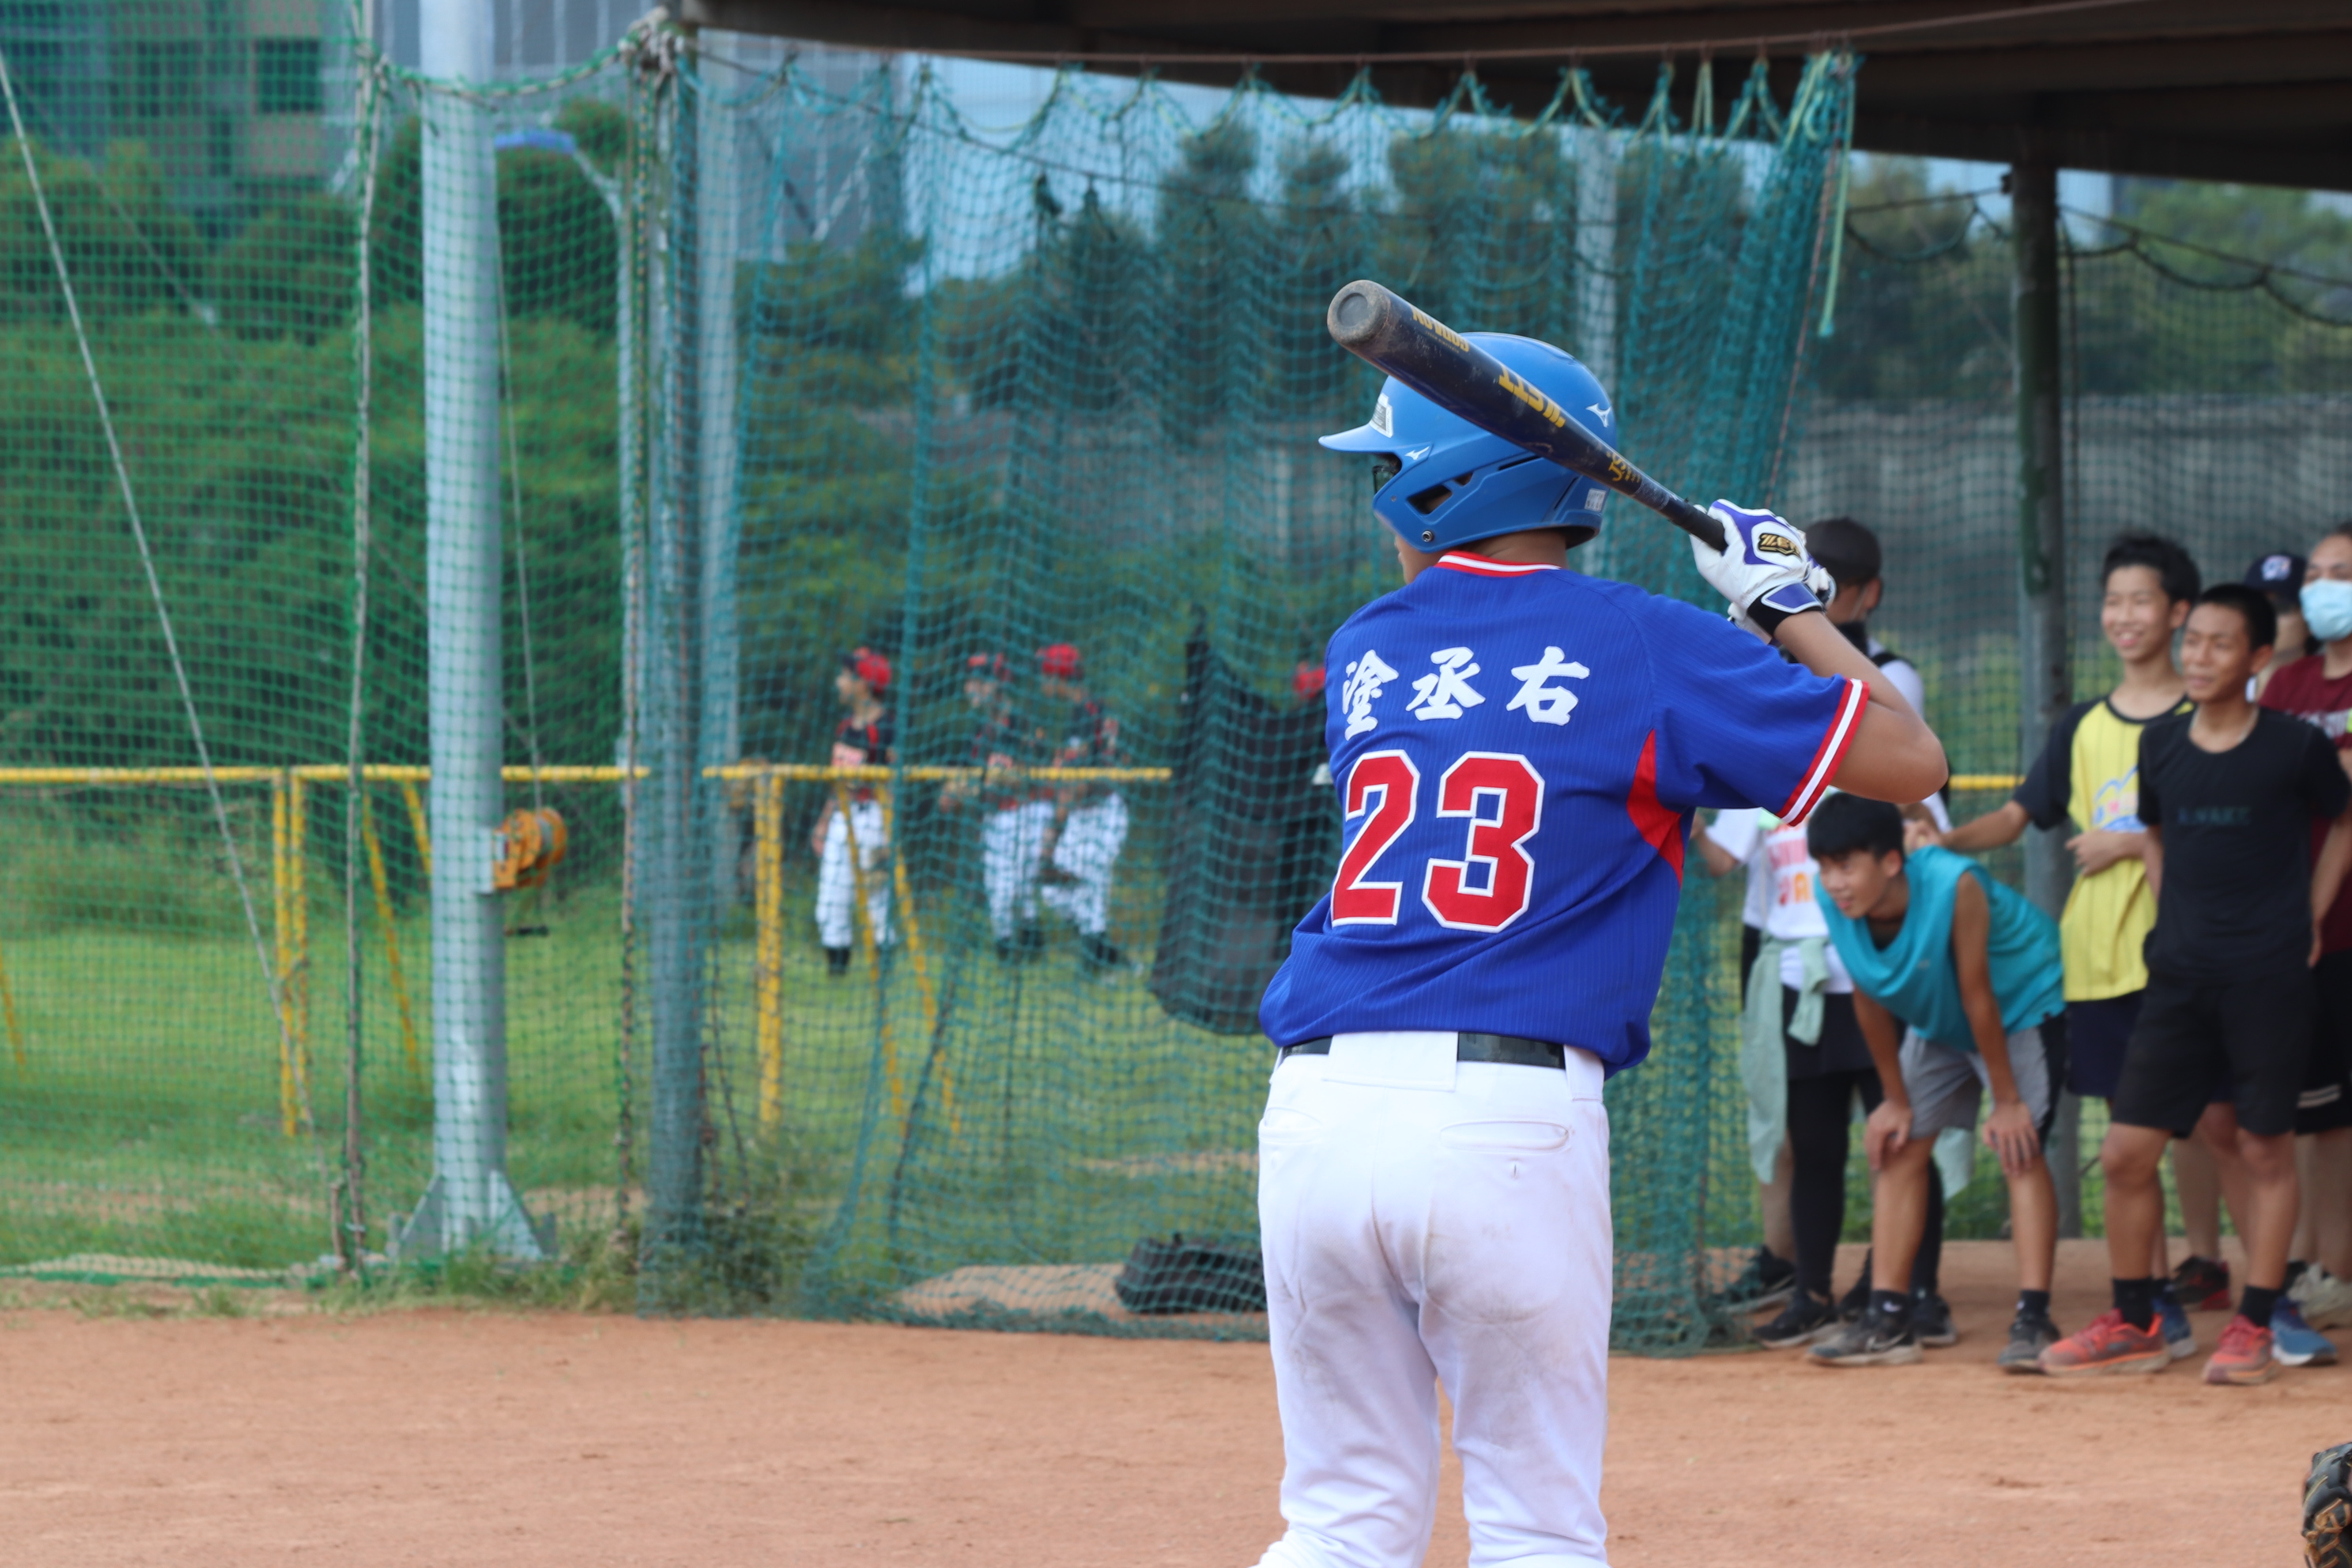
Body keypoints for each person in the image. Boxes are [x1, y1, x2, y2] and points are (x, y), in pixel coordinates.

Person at [1250, 334, 1944, 1566]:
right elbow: (1911, 762)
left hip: (1317, 1112)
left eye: (1388, 471)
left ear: (1440, 487)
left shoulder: (1368, 646)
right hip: (1504, 1121)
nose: (1377, 498)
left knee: (1342, 1522)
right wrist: (1788, 611)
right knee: (1536, 1529)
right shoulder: (1646, 641)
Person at [2039, 584, 2352, 1385]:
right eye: (2194, 641)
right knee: (2124, 1153)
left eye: (2220, 643)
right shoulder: (2162, 746)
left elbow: (2344, 820)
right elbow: (2154, 832)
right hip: (2177, 978)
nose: (2199, 656)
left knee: (2262, 1148)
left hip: (2269, 979)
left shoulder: (2294, 746)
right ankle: (2136, 1321)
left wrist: (2312, 917)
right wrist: (2173, 913)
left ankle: (2255, 1325)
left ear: (2258, 659)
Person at [1928, 531, 2205, 1356]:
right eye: (2113, 601)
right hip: (2100, 961)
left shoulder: (2206, 720)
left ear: (2179, 613)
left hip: (2191, 953)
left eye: (2141, 599)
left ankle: (2260, 1293)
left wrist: (2134, 843)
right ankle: (2153, 1297)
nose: (2124, 615)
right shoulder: (2081, 724)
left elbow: (2231, 833)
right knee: (2130, 1136)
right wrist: (1942, 842)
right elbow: (2017, 816)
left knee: (2222, 1130)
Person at [1804, 794, 2065, 1372]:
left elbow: (1979, 993)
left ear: (1891, 861)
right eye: (1824, 866)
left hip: (2019, 1003)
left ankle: (2034, 1318)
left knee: (2018, 1148)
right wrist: (1894, 1100)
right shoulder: (1835, 900)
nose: (1834, 881)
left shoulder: (1954, 884)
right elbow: (1868, 991)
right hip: (1940, 1015)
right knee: (1900, 1148)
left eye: (1846, 865)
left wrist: (2006, 1101)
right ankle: (1889, 1319)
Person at [2259, 527, 2352, 1355]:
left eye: (2342, 573)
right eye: (2316, 573)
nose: (2324, 587)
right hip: (2298, 934)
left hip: (2333, 925)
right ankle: (2321, 1269)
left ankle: (2335, 1268)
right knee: (2317, 1112)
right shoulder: (2285, 682)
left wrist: (2317, 915)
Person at [940, 651, 1050, 961]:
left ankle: (1023, 954)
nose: (972, 688)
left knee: (1011, 892)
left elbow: (1030, 776)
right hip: (995, 818)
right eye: (970, 681)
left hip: (1027, 814)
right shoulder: (979, 731)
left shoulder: (1022, 724)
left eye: (981, 681)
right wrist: (953, 790)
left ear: (1000, 684)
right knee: (1004, 894)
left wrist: (979, 786)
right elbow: (963, 779)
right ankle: (1020, 956)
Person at [1034, 643, 1131, 974]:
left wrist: (1054, 829)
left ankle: (1097, 970)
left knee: (1090, 890)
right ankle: (1112, 959)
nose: (1041, 681)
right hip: (1084, 814)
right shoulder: (1088, 710)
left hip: (1103, 811)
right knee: (1054, 890)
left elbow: (1079, 783)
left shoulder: (1085, 714)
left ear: (1058, 676)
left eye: (1045, 673)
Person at [812, 646, 895, 974]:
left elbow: (894, 784)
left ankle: (884, 974)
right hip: (842, 816)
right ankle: (837, 973)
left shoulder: (887, 727)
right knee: (831, 898)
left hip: (874, 816)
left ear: (864, 684)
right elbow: (839, 783)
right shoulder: (845, 727)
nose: (839, 682)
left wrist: (890, 834)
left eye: (846, 676)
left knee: (876, 898)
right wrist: (823, 822)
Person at [2250, 550, 2312, 699]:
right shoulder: (2222, 691)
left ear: (2311, 617)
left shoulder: (2339, 695)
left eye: (2281, 607)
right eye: (2255, 605)